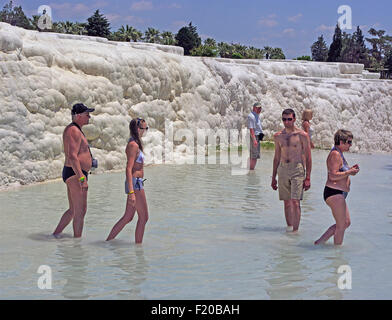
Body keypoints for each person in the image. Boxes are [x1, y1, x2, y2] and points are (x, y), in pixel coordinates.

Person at [53, 103, 95, 238]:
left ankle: (55, 235)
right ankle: (77, 243)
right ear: (78, 115)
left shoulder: (76, 129)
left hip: (75, 173)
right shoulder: (73, 130)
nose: (89, 116)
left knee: (73, 210)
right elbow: (72, 155)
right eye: (87, 113)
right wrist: (82, 178)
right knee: (80, 210)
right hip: (75, 174)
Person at [106, 118, 149, 244]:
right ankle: (139, 248)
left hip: (137, 182)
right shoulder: (133, 145)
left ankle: (108, 241)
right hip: (135, 183)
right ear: (137, 129)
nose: (145, 131)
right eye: (143, 129)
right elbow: (128, 168)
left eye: (147, 129)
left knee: (128, 217)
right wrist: (131, 192)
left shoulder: (136, 143)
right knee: (144, 217)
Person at [315, 130, 359, 245]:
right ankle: (337, 254)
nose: (350, 145)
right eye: (349, 142)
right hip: (334, 192)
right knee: (341, 225)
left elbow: (340, 171)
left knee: (346, 223)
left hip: (338, 193)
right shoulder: (335, 154)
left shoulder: (339, 154)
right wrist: (349, 172)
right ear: (341, 141)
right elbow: (333, 175)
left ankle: (320, 242)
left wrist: (350, 170)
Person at [271, 109, 312, 233]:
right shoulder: (278, 136)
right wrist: (273, 177)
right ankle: (289, 229)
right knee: (287, 202)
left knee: (295, 201)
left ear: (294, 119)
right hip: (282, 169)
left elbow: (309, 157)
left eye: (289, 119)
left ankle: (295, 231)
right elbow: (276, 157)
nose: (286, 122)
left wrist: (308, 177)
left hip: (297, 168)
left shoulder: (302, 135)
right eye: (284, 119)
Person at [247, 102, 264, 170]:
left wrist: (261, 137)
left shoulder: (256, 115)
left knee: (253, 154)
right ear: (254, 108)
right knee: (254, 156)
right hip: (255, 137)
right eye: (258, 108)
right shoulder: (251, 116)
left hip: (258, 136)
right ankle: (251, 170)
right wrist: (254, 140)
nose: (259, 109)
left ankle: (250, 168)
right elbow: (251, 129)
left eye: (260, 108)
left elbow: (258, 127)